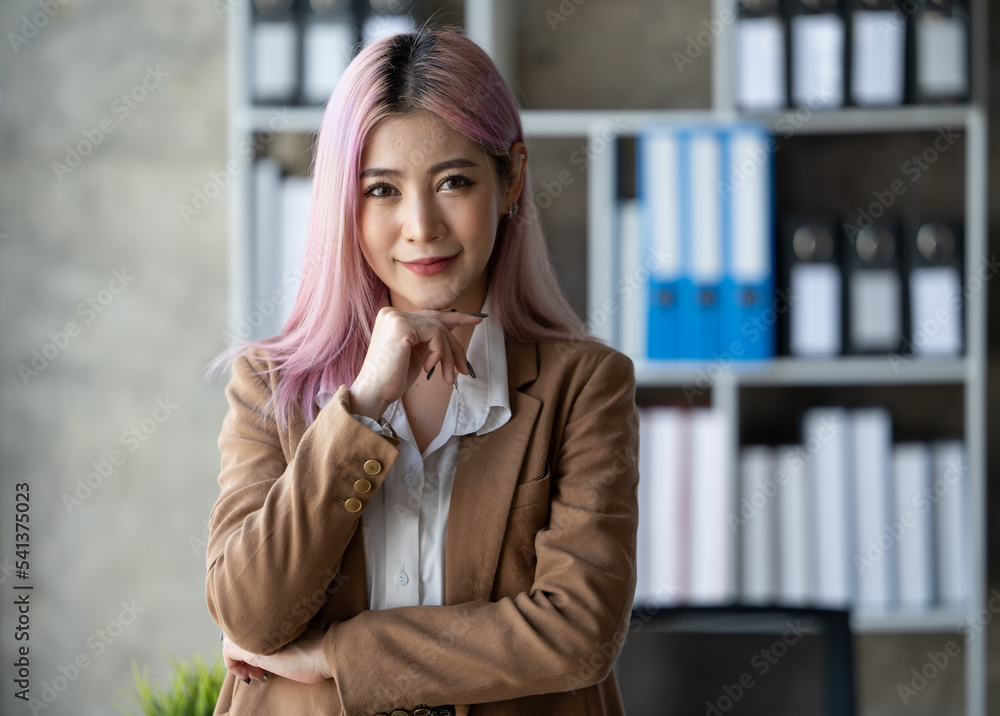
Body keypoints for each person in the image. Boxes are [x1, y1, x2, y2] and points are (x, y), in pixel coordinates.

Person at [204, 25, 639, 716]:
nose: (420, 225)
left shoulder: (584, 386)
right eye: (381, 189)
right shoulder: (270, 384)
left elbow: (579, 631)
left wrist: (336, 658)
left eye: (455, 182)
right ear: (344, 200)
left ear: (511, 179)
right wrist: (365, 406)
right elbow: (252, 613)